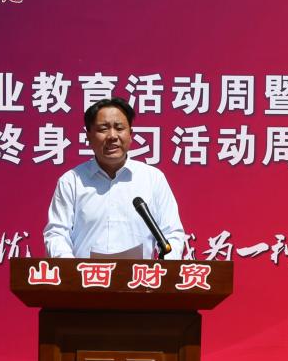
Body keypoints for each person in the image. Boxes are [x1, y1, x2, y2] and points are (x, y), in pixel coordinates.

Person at [44, 97, 187, 259]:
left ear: (130, 134)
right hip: (85, 274)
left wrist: (165, 267)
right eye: (103, 129)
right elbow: (57, 233)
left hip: (139, 275)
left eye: (119, 128)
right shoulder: (72, 181)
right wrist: (71, 269)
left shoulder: (153, 179)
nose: (112, 136)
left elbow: (172, 233)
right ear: (88, 136)